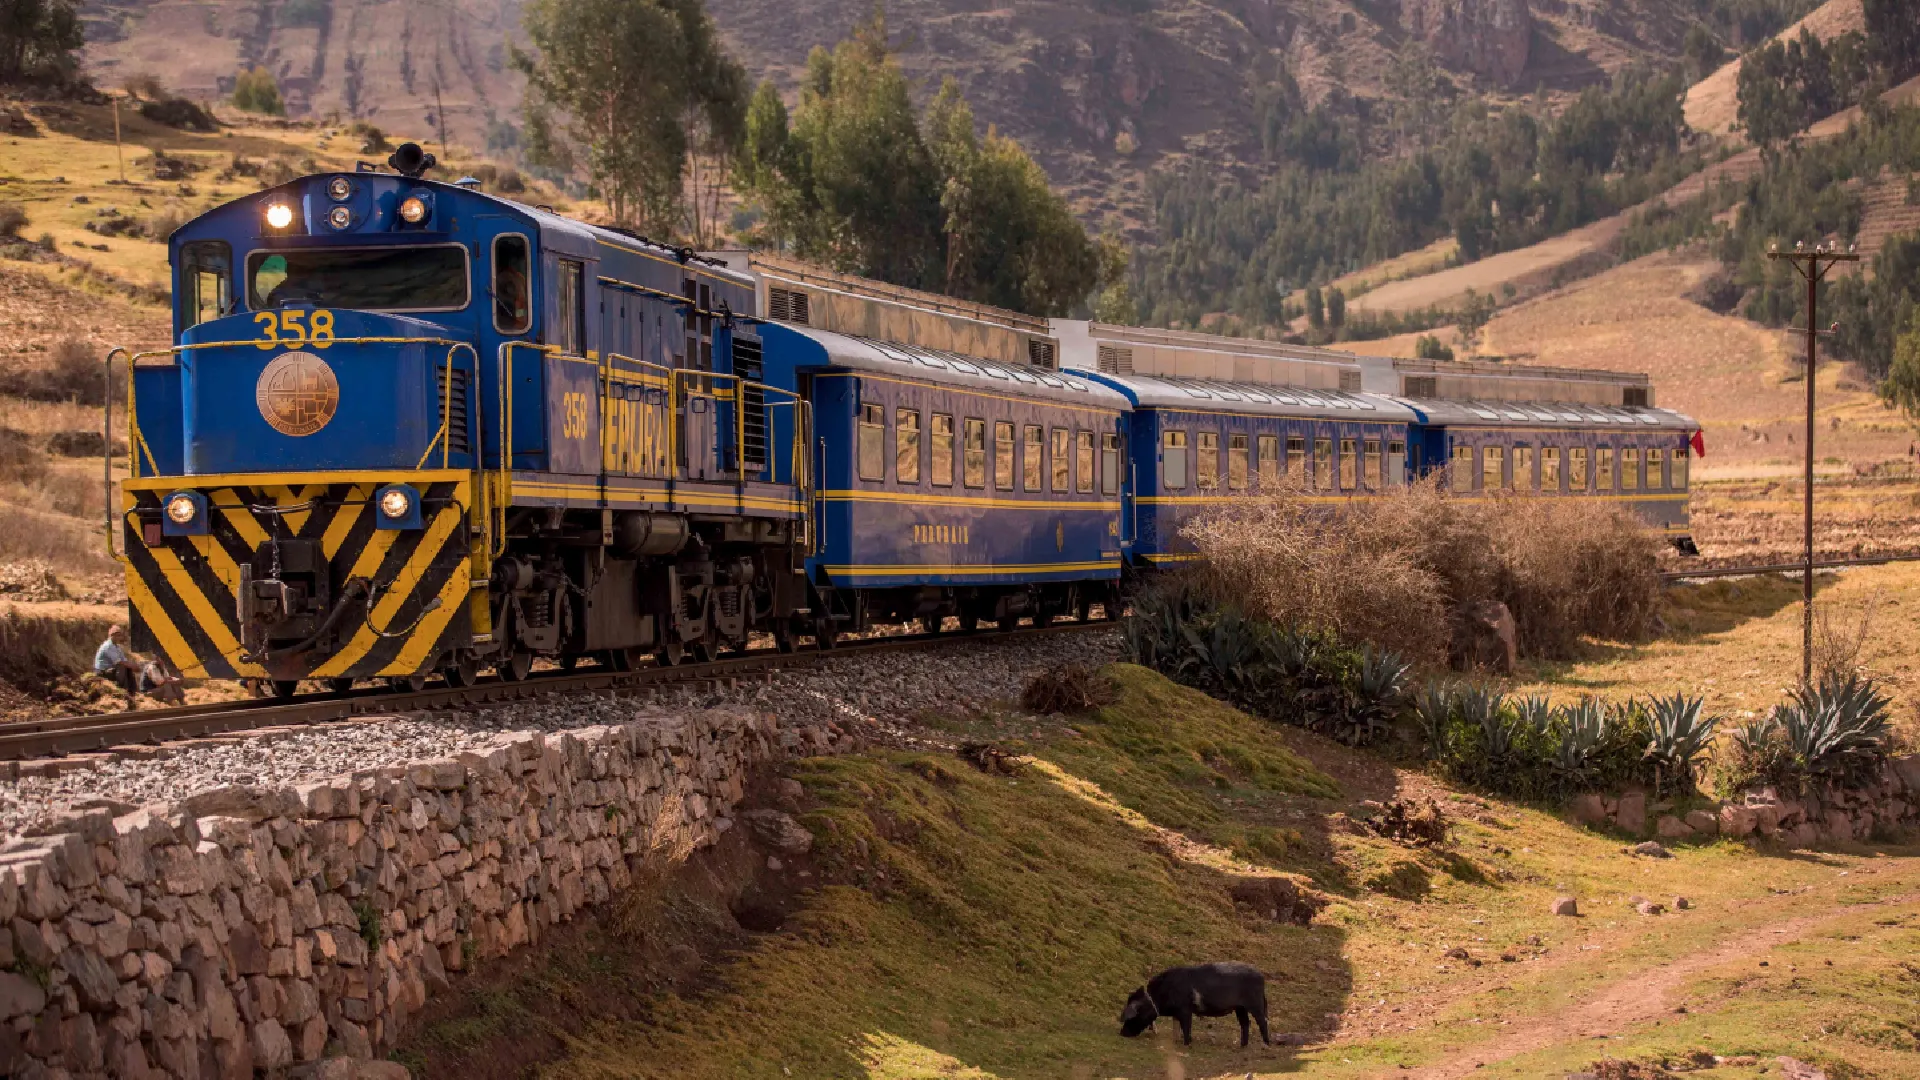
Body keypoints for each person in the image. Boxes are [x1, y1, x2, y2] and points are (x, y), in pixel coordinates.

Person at [94, 625, 184, 705]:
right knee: (123, 667)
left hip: (113, 669)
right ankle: (121, 689)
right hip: (103, 671)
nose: (121, 637)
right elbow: (119, 662)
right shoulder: (108, 646)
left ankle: (132, 692)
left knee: (128, 668)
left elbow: (125, 660)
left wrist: (133, 666)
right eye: (119, 635)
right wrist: (133, 666)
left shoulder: (117, 647)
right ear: (112, 635)